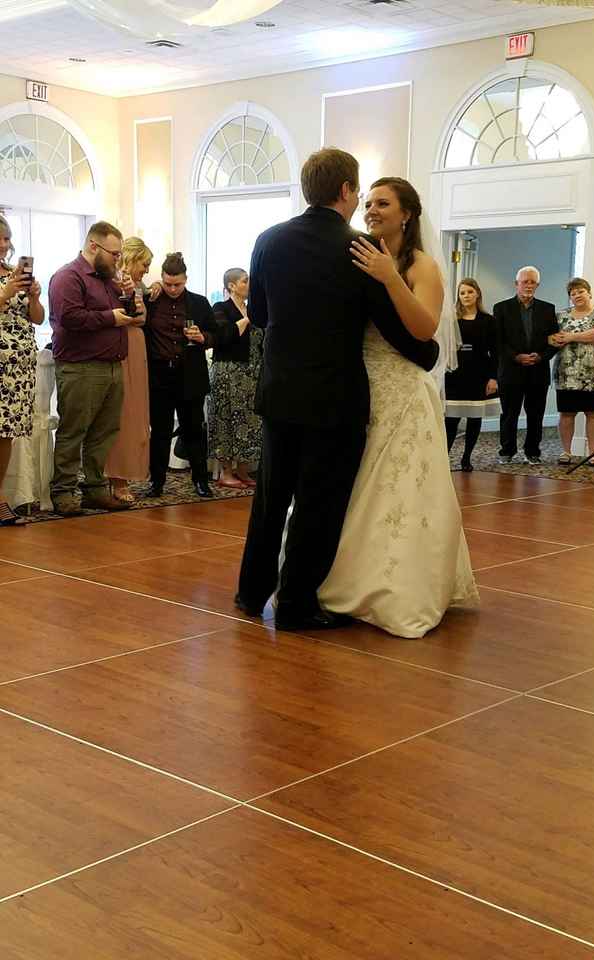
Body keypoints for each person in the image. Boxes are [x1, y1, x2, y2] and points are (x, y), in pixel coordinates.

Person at [235, 149, 439, 633]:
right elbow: (395, 328)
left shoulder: (268, 240)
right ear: (347, 190)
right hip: (335, 396)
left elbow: (259, 315)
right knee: (317, 504)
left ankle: (249, 593)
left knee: (270, 496)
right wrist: (425, 357)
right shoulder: (361, 249)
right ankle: (296, 605)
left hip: (280, 390)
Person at [318, 177, 478, 638]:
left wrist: (390, 277)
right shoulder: (355, 254)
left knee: (398, 489)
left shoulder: (421, 264)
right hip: (357, 386)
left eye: (383, 203)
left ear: (407, 213)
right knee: (350, 487)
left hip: (401, 389)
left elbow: (425, 329)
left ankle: (394, 589)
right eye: (368, 203)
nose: (371, 210)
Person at [49, 221, 138, 515]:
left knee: (105, 431)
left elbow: (130, 314)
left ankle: (95, 490)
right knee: (74, 431)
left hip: (112, 364)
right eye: (114, 254)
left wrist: (129, 293)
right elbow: (70, 318)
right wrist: (110, 318)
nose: (118, 260)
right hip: (80, 366)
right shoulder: (67, 276)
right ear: (93, 246)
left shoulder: (108, 278)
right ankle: (63, 492)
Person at [144, 252, 217, 498]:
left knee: (194, 431)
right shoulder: (151, 300)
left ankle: (201, 481)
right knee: (160, 433)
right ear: (161, 278)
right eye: (167, 283)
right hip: (159, 375)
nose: (173, 289)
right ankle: (157, 481)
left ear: (186, 279)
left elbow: (216, 334)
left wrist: (203, 338)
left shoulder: (199, 302)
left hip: (190, 375)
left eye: (178, 284)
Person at [0, 214, 44, 525]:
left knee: (6, 435)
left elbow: (38, 318)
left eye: (6, 238)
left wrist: (33, 296)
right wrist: (5, 292)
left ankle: (0, 497)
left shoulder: (12, 274)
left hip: (20, 365)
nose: (4, 245)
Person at [494, 266, 558, 464]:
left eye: (532, 282)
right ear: (516, 284)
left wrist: (541, 357)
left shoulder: (548, 309)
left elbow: (554, 341)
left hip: (538, 371)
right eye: (525, 282)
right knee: (509, 414)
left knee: (536, 414)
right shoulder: (501, 308)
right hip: (511, 370)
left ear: (537, 285)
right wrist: (516, 357)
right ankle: (507, 451)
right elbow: (498, 341)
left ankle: (532, 451)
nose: (528, 285)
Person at [104, 237, 152, 502]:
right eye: (143, 264)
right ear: (131, 259)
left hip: (137, 346)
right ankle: (115, 476)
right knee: (121, 412)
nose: (145, 270)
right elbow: (127, 315)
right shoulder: (111, 281)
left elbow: (142, 317)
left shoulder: (138, 285)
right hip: (119, 346)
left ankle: (127, 473)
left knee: (136, 411)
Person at [551, 277, 594, 466]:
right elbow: (552, 339)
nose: (577, 295)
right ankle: (566, 452)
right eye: (572, 293)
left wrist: (571, 336)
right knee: (566, 413)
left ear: (589, 293)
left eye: (580, 291)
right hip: (567, 374)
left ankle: (593, 453)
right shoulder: (560, 316)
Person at [208, 268, 262, 489]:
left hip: (250, 374)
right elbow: (224, 336)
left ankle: (243, 469)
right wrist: (246, 319)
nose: (249, 284)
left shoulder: (252, 309)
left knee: (248, 422)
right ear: (231, 285)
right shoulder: (221, 308)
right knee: (226, 420)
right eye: (244, 281)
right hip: (228, 373)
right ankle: (226, 472)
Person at [444, 278, 498, 472]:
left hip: (479, 375)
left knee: (474, 418)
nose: (466, 296)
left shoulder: (488, 320)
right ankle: (445, 458)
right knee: (451, 420)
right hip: (454, 376)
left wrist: (493, 378)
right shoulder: (451, 320)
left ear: (477, 294)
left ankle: (466, 458)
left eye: (469, 292)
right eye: (462, 293)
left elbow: (495, 352)